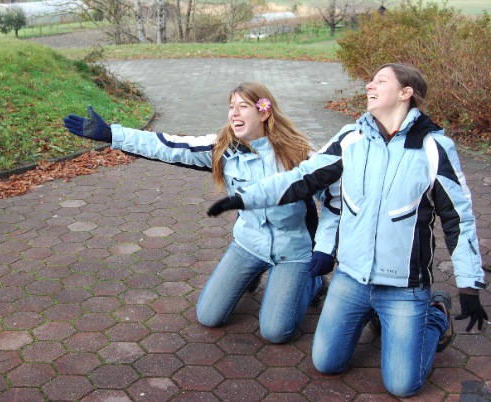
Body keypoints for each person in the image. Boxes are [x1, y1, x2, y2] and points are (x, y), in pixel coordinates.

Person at [207, 64, 488, 396]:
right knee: (326, 363)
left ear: (405, 92)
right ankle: (370, 314)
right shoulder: (351, 138)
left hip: (404, 286)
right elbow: (302, 177)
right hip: (351, 278)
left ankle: (436, 316)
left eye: (380, 81)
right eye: (370, 80)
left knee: (402, 385)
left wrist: (469, 285)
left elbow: (459, 219)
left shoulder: (433, 147)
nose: (369, 85)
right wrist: (247, 198)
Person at [63, 82, 339, 344]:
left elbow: (333, 198)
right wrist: (112, 134)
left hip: (293, 251)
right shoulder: (223, 148)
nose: (234, 113)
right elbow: (168, 146)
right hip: (249, 244)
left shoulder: (300, 154)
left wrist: (325, 247)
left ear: (264, 112)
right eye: (231, 107)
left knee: (275, 332)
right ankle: (253, 272)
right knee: (208, 316)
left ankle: (313, 283)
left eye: (243, 106)